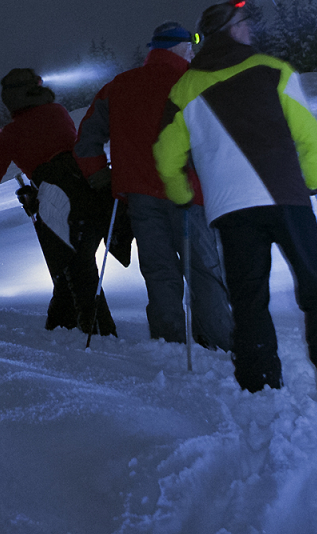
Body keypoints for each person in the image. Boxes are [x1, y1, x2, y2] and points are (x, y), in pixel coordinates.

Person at [153, 0, 317, 422]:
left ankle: (260, 388)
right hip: (287, 197)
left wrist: (180, 195)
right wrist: (312, 180)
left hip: (231, 211)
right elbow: (307, 133)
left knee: (249, 300)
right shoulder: (274, 71)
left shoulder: (184, 89)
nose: (250, 27)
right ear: (231, 29)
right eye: (244, 21)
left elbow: (165, 156)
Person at [75, 22, 233, 349]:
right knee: (204, 268)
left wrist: (99, 173)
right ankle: (219, 337)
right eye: (190, 46)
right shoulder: (195, 82)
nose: (193, 51)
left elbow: (86, 138)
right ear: (178, 48)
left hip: (140, 197)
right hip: (189, 194)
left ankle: (169, 341)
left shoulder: (119, 86)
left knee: (159, 271)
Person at [0, 68, 116, 336]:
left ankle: (99, 338)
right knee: (76, 271)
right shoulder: (59, 112)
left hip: (56, 208)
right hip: (92, 196)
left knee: (77, 274)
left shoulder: (11, 133)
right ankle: (61, 331)